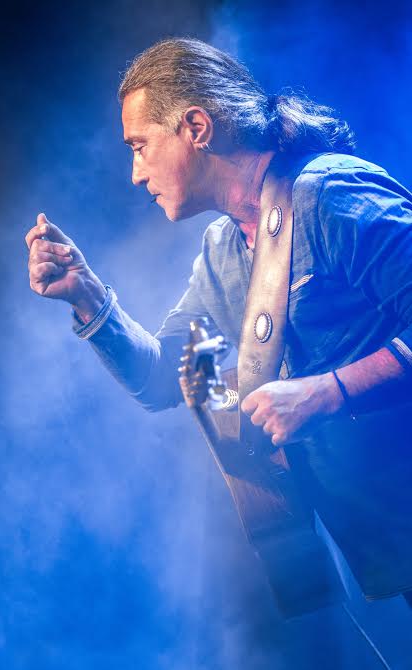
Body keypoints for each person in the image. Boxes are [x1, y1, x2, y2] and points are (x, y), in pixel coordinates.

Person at [26, 38, 412, 660]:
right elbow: (168, 379)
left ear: (196, 127)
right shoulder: (224, 252)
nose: (135, 174)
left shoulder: (328, 196)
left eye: (139, 146)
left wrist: (326, 392)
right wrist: (88, 296)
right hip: (386, 548)